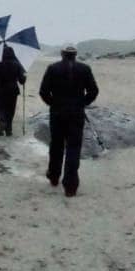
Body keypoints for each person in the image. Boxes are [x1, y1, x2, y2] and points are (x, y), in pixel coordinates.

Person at [39, 44, 99, 197]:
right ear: (75, 54)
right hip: (76, 113)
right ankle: (70, 185)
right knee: (73, 147)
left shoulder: (52, 68)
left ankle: (53, 176)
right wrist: (82, 103)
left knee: (56, 145)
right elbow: (93, 91)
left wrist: (53, 103)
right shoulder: (84, 69)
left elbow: (43, 91)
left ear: (62, 54)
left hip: (58, 112)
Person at [0, 47, 26, 136]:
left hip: (1, 91)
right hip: (13, 91)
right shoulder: (17, 65)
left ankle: (2, 126)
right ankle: (9, 129)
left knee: (2, 109)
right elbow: (21, 81)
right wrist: (24, 77)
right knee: (11, 110)